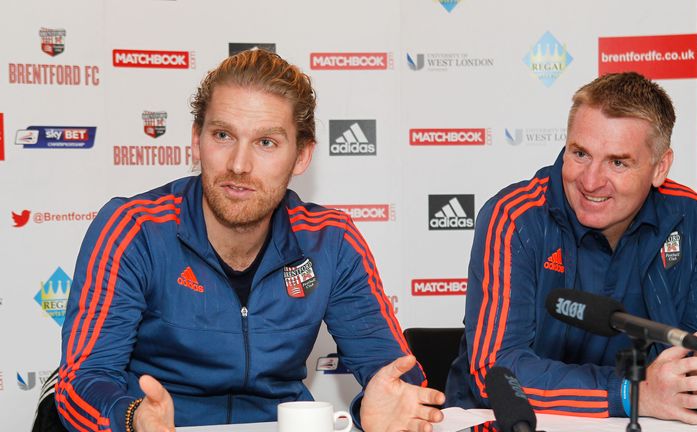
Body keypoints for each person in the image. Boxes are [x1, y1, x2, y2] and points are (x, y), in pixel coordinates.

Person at [55, 49, 444, 432]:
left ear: (302, 155)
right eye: (223, 135)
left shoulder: (330, 241)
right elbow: (82, 384)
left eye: (266, 143)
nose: (239, 165)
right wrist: (132, 417)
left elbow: (394, 374)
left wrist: (382, 409)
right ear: (196, 140)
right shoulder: (133, 229)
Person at [445, 72, 697, 425]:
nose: (590, 181)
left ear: (660, 167)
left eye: (617, 162)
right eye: (580, 154)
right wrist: (632, 393)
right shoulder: (515, 218)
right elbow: (496, 369)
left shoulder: (692, 218)